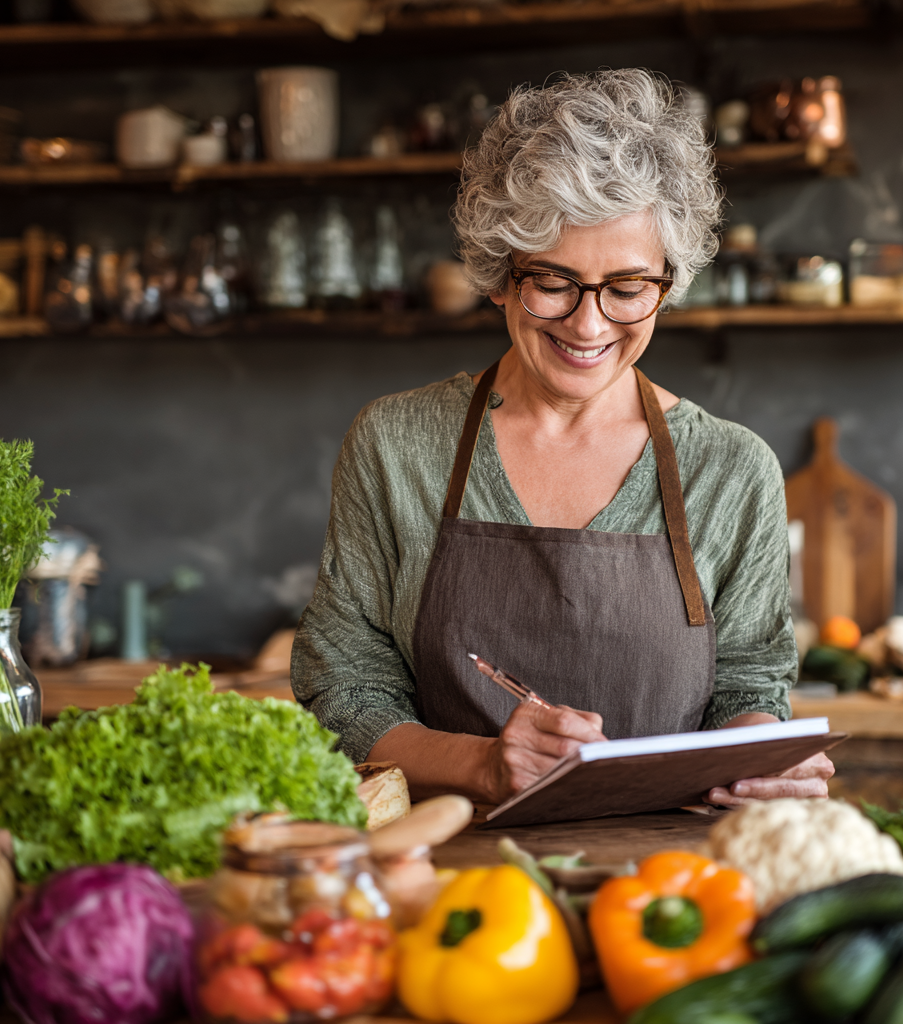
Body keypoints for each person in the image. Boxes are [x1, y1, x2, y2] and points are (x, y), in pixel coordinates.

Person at [292, 68, 834, 807]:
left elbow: (747, 682)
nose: (588, 325)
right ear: (497, 274)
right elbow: (345, 686)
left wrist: (758, 758)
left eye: (627, 286)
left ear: (668, 284)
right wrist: (485, 764)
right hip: (445, 875)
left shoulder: (732, 469)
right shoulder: (397, 444)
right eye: (552, 281)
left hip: (673, 889)